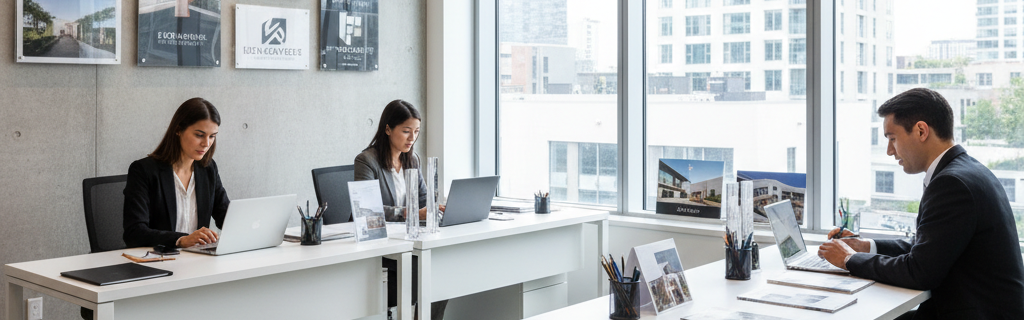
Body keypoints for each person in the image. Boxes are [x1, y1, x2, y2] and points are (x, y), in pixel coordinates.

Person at [818, 88, 1024, 319]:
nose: (889, 151)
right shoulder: (967, 171)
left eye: (892, 139)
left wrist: (848, 259)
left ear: (921, 130)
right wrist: (865, 246)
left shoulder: (952, 183)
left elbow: (919, 272)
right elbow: (927, 249)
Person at [354, 99, 446, 320]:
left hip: (407, 241)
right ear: (388, 129)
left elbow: (423, 201)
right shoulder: (367, 161)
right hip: (378, 246)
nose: (412, 138)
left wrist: (436, 209)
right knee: (426, 271)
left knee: (442, 272)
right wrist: (411, 213)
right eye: (406, 131)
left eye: (416, 132)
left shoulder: (412, 159)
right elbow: (368, 211)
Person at [122, 97, 229, 249]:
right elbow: (134, 233)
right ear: (178, 130)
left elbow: (226, 217)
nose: (206, 143)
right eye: (199, 135)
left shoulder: (208, 170)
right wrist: (181, 240)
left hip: (198, 261)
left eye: (212, 136)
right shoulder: (144, 171)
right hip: (159, 260)